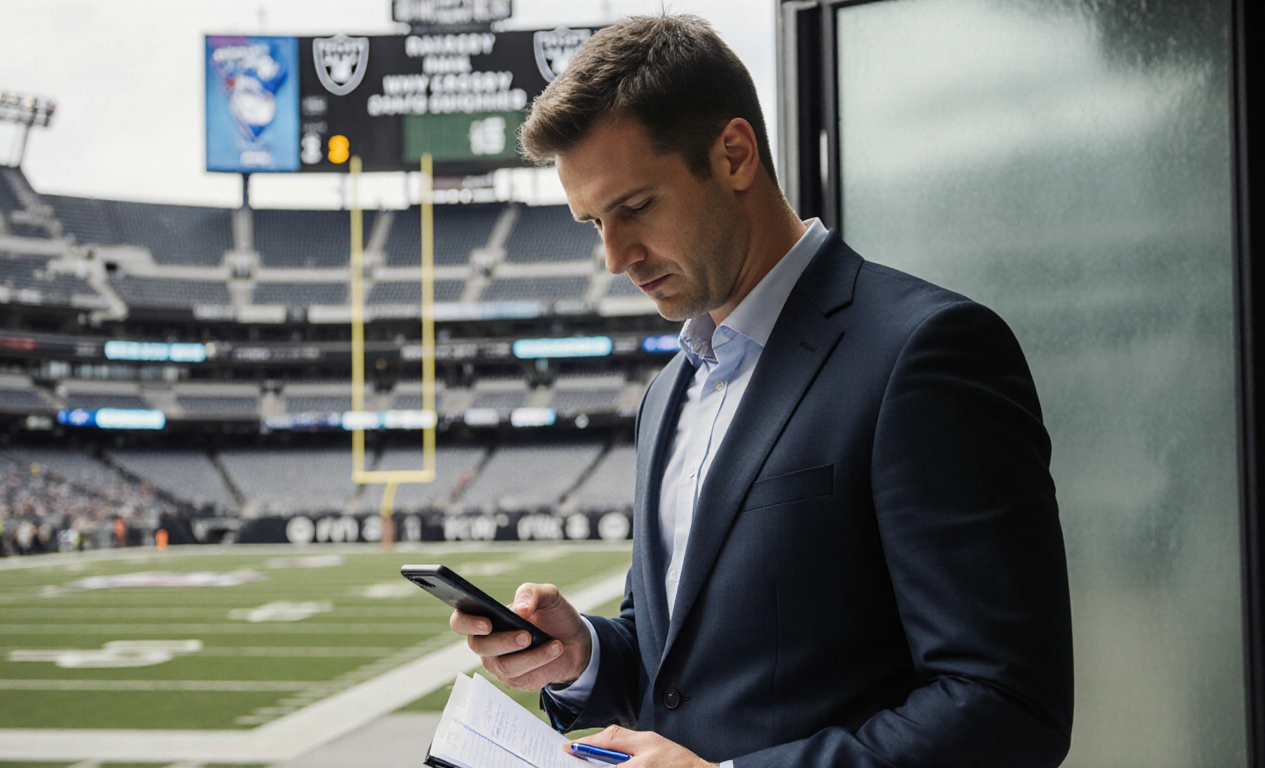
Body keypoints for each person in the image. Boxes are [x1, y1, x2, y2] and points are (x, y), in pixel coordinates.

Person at [451, 14, 1073, 767]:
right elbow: (678, 671)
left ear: (735, 155)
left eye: (635, 207)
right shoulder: (669, 394)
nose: (614, 257)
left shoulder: (924, 352)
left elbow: (1007, 707)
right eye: (593, 223)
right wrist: (582, 655)